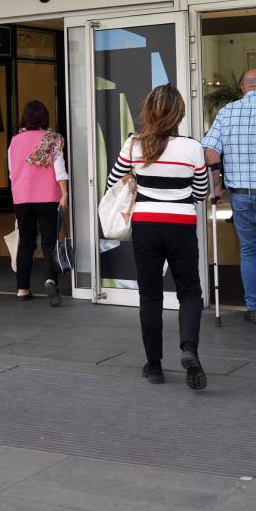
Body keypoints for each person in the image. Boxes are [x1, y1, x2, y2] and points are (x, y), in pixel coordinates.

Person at [105, 85, 210, 390]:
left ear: (148, 111)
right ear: (180, 113)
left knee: (149, 295)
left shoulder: (134, 145)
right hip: (181, 226)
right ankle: (189, 349)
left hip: (146, 226)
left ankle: (154, 366)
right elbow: (201, 193)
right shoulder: (192, 148)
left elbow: (114, 182)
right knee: (189, 291)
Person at [202, 68, 256, 325]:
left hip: (240, 194)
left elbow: (211, 153)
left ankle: (253, 309)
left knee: (249, 250)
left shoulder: (227, 113)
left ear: (243, 88)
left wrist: (217, 187)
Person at [8, 100, 68, 304]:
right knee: (49, 241)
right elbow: (59, 169)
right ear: (45, 118)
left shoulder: (14, 141)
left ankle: (22, 289)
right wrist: (65, 194)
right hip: (48, 197)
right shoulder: (52, 139)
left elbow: (11, 173)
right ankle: (51, 280)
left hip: (22, 198)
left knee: (26, 241)